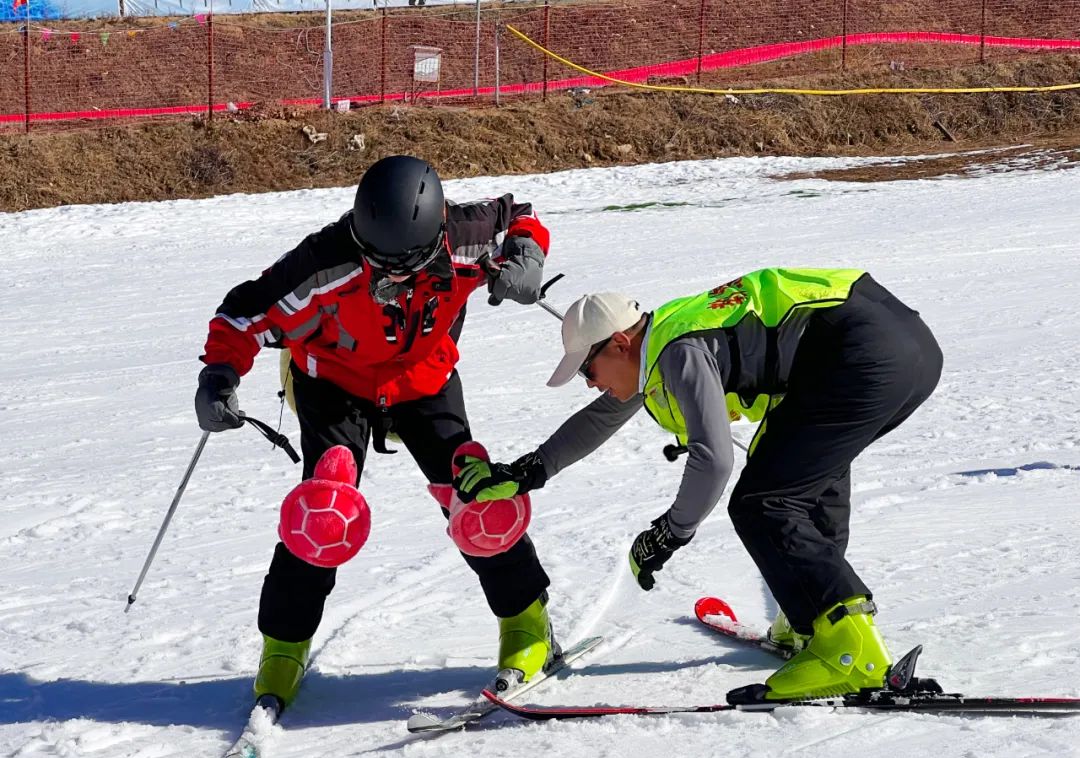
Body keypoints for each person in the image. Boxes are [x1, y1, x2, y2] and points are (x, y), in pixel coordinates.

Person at [452, 268, 943, 701]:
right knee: (805, 480)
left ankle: (847, 650)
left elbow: (713, 458)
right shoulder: (665, 341)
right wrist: (528, 470)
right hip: (905, 346)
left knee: (762, 502)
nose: (589, 382)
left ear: (620, 344)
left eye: (587, 368)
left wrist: (670, 532)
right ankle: (812, 622)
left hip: (862, 349)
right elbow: (601, 418)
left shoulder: (678, 351)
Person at [194, 155, 557, 710]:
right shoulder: (323, 263)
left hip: (424, 378)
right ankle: (283, 648)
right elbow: (244, 315)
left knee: (478, 500)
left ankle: (528, 626)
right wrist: (219, 375)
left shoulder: (465, 235)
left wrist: (526, 257)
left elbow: (519, 217)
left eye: (402, 264)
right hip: (335, 382)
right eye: (375, 261)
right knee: (324, 510)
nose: (386, 275)